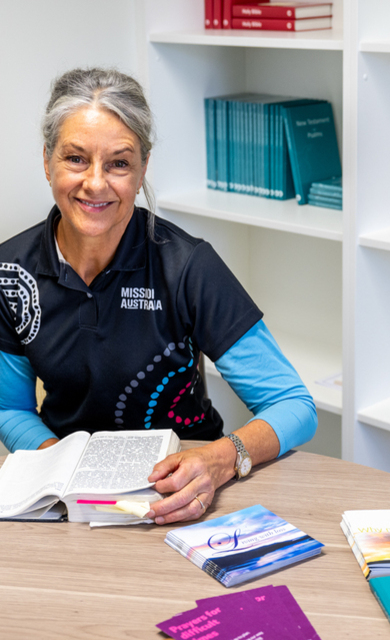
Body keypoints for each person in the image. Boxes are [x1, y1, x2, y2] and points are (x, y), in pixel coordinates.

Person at [0, 68, 317, 524]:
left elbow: (294, 406)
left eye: (118, 163)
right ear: (47, 159)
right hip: (68, 504)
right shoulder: (12, 273)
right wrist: (56, 463)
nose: (95, 183)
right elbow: (11, 406)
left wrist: (221, 458)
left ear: (143, 167)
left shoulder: (188, 266)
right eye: (75, 159)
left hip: (184, 493)